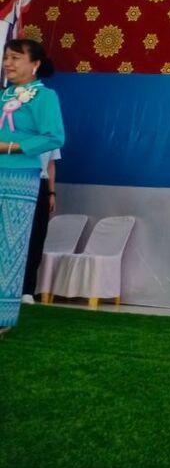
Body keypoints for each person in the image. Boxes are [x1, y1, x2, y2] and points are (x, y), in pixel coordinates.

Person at [0, 39, 65, 338]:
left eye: (15, 58)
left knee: (10, 246)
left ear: (35, 64)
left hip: (20, 177)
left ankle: (3, 316)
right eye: (6, 57)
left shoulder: (44, 96)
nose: (8, 63)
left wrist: (12, 147)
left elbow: (54, 137)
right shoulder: (4, 94)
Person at [21, 149, 60, 304]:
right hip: (18, 179)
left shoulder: (51, 138)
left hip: (41, 184)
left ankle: (27, 290)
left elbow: (51, 165)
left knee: (37, 238)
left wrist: (51, 193)